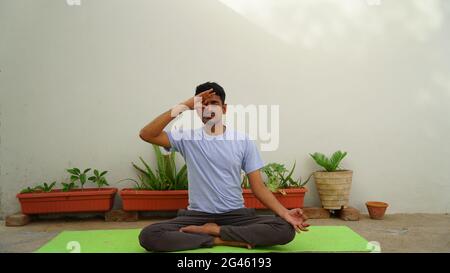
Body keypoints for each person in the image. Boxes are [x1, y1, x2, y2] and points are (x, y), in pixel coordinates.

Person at [138, 82, 309, 252]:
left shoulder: (243, 141)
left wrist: (285, 213)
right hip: (197, 216)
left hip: (236, 215)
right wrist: (184, 106)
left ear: (224, 108)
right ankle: (223, 240)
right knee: (149, 235)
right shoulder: (186, 138)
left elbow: (258, 187)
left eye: (214, 104)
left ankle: (214, 233)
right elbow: (146, 134)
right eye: (203, 105)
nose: (208, 109)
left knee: (284, 229)